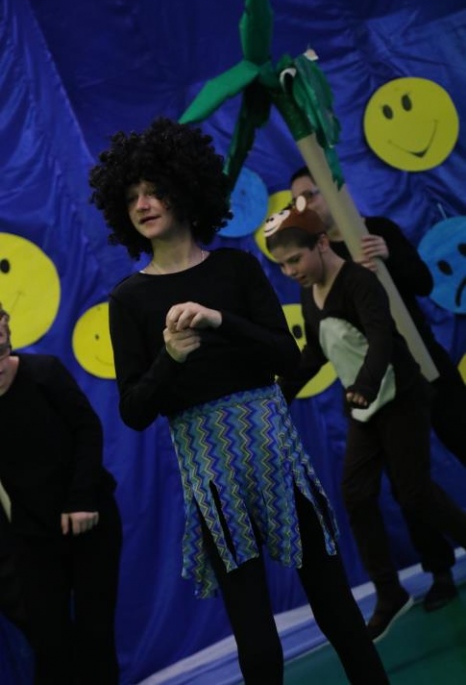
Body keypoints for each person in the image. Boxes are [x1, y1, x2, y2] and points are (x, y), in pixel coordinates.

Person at [89, 117, 389, 685]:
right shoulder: (129, 299)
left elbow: (288, 359)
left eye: (154, 190)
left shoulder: (236, 268)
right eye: (131, 197)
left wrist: (219, 320)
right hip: (211, 477)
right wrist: (170, 357)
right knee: (255, 635)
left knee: (336, 607)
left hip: (278, 457)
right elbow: (134, 410)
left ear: (185, 190)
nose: (143, 204)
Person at [265, 201, 466, 643]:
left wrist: (366, 384)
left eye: (295, 260)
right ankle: (389, 592)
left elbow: (380, 338)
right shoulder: (310, 290)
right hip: (363, 406)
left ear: (321, 243)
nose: (290, 272)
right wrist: (280, 394)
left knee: (415, 492)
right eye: (282, 266)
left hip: (400, 396)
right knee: (355, 494)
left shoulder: (359, 281)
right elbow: (316, 351)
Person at [0, 304, 122, 685]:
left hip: (90, 519)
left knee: (95, 635)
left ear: (7, 335)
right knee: (50, 644)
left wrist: (81, 500)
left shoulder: (43, 373)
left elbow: (87, 429)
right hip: (34, 534)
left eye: (0, 351)